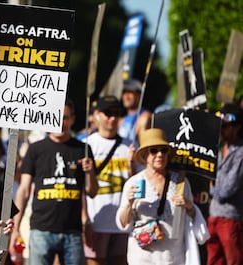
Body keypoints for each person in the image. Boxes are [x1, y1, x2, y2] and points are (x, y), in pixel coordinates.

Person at [9, 99, 99, 265]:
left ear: (72, 119)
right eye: (55, 117)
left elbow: (92, 192)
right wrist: (15, 229)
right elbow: (23, 191)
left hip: (73, 232)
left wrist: (90, 172)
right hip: (40, 230)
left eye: (64, 117)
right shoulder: (35, 149)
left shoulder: (83, 149)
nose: (60, 122)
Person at [116, 128, 209, 265]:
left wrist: (189, 205)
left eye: (164, 150)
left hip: (174, 258)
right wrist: (129, 204)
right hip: (142, 258)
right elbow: (123, 224)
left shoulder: (181, 182)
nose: (159, 155)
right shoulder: (133, 183)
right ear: (144, 156)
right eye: (154, 150)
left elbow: (193, 215)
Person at [83, 96, 131, 265]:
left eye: (116, 114)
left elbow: (138, 184)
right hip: (96, 221)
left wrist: (132, 167)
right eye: (107, 113)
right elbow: (80, 188)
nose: (112, 118)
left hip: (123, 223)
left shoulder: (130, 146)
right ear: (96, 114)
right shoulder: (86, 144)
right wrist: (85, 219)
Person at [207, 103, 243, 265]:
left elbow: (228, 189)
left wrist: (212, 189)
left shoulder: (241, 152)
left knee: (233, 261)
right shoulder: (221, 148)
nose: (221, 130)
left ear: (237, 127)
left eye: (226, 127)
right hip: (213, 215)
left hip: (230, 218)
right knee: (213, 261)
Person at [118, 78, 152, 147]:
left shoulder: (145, 117)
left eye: (130, 92)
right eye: (124, 93)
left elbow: (143, 147)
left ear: (139, 95)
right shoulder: (121, 120)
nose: (126, 96)